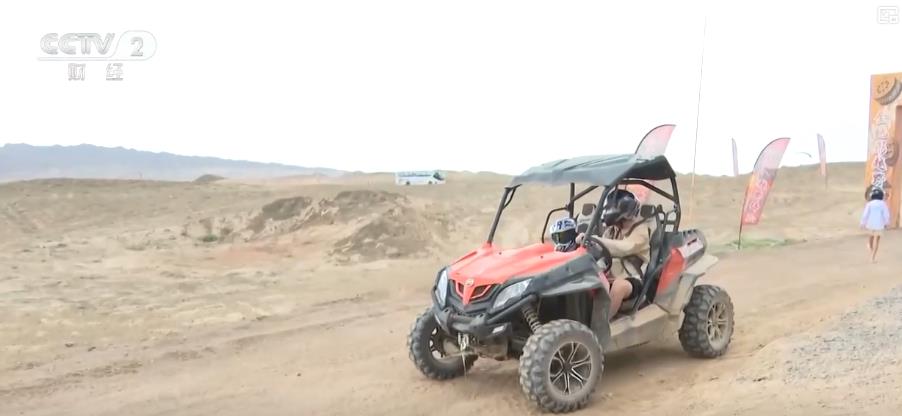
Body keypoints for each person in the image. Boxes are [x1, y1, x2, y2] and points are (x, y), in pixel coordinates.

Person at [550, 189, 651, 318]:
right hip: (610, 275)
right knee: (584, 280)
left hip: (632, 280)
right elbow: (603, 252)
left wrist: (593, 239)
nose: (617, 225)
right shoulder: (612, 230)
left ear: (626, 216)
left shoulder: (640, 232)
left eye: (619, 221)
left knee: (618, 287)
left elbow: (624, 248)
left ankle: (603, 322)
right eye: (615, 222)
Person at [861, 186, 891, 263]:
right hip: (879, 224)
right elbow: (886, 215)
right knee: (877, 240)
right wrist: (887, 223)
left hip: (870, 223)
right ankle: (872, 258)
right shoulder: (883, 204)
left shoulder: (869, 204)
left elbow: (865, 214)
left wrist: (863, 223)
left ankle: (870, 246)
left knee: (871, 236)